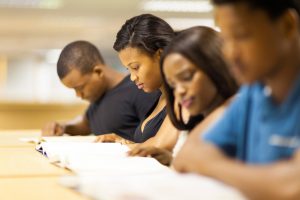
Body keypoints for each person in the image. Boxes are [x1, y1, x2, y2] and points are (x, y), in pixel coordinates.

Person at [173, 0, 300, 199]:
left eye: (241, 36)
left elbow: (292, 187)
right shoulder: (253, 93)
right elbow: (186, 155)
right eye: (225, 39)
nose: (230, 53)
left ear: (287, 25)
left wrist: (210, 164)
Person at [128, 26, 238, 165]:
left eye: (187, 77)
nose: (179, 91)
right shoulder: (196, 116)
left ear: (215, 66)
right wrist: (170, 160)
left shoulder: (236, 109)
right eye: (172, 84)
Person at [42, 40, 160, 142]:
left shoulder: (140, 89)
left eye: (80, 88)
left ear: (98, 72)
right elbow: (86, 123)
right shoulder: (99, 96)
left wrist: (124, 143)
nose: (78, 95)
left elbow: (155, 139)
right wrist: (64, 127)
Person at [96, 14, 178, 151]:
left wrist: (132, 148)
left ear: (160, 55)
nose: (133, 77)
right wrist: (125, 142)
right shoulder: (159, 97)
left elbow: (163, 143)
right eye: (128, 69)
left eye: (135, 67)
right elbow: (150, 143)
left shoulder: (181, 96)